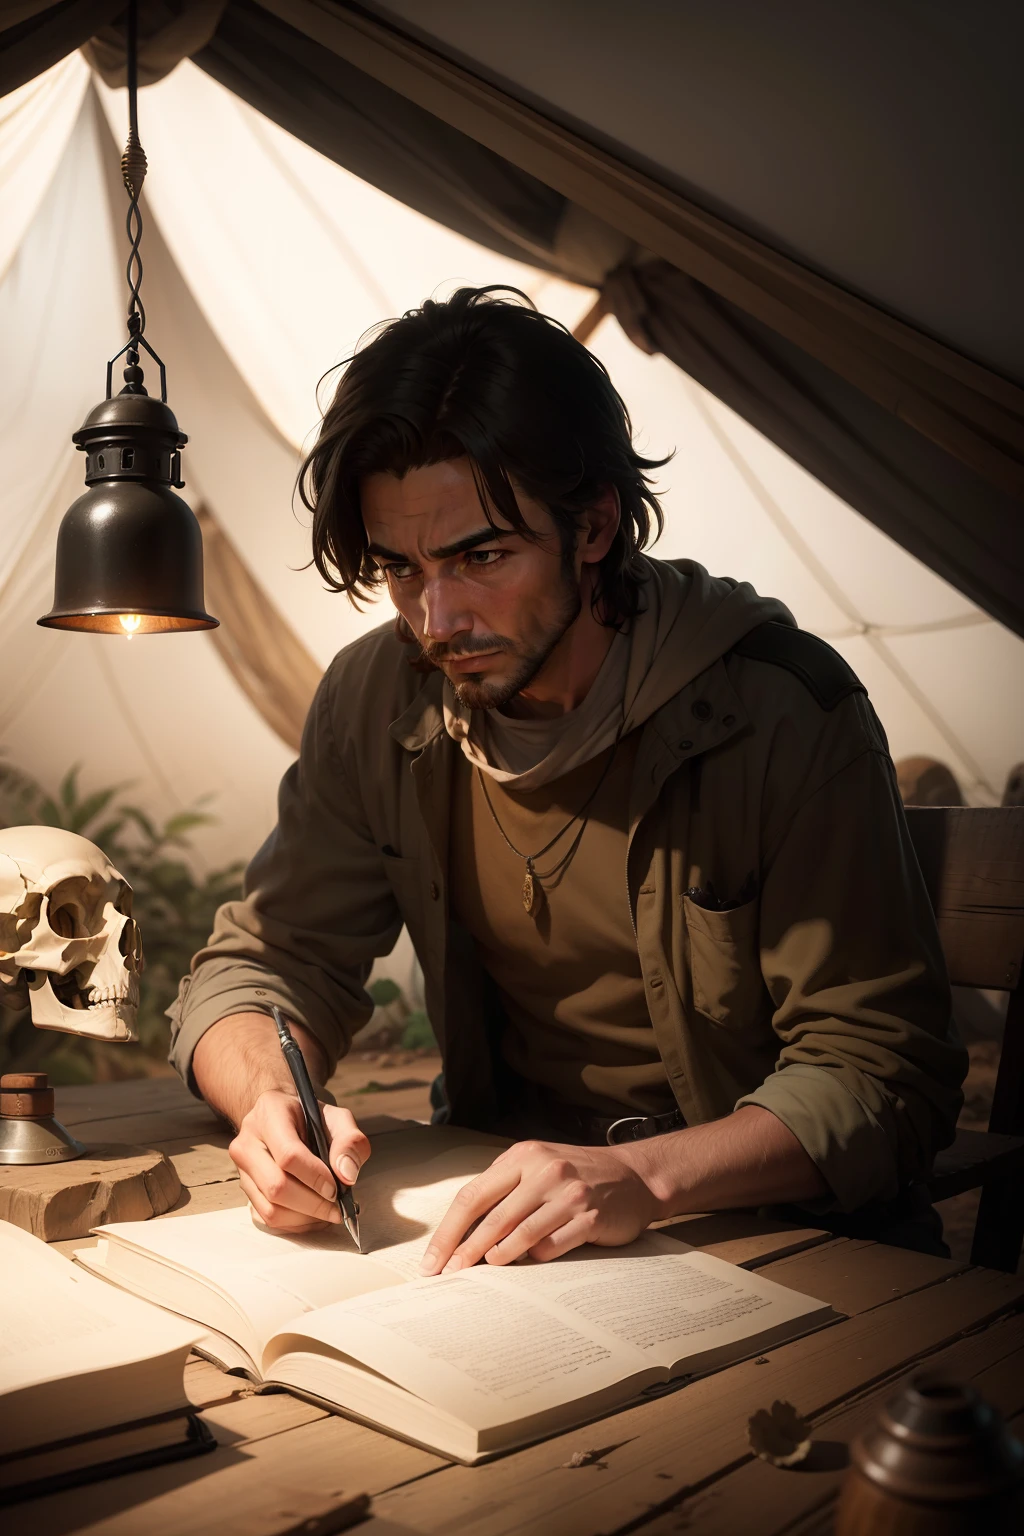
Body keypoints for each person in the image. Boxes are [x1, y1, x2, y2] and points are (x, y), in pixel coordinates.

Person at [170, 287, 966, 1269]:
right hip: (498, 1222)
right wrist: (268, 1098)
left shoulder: (780, 710)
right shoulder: (377, 699)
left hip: (780, 1240)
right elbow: (263, 962)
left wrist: (642, 1177)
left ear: (594, 528)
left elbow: (879, 1074)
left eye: (481, 556)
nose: (436, 619)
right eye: (402, 570)